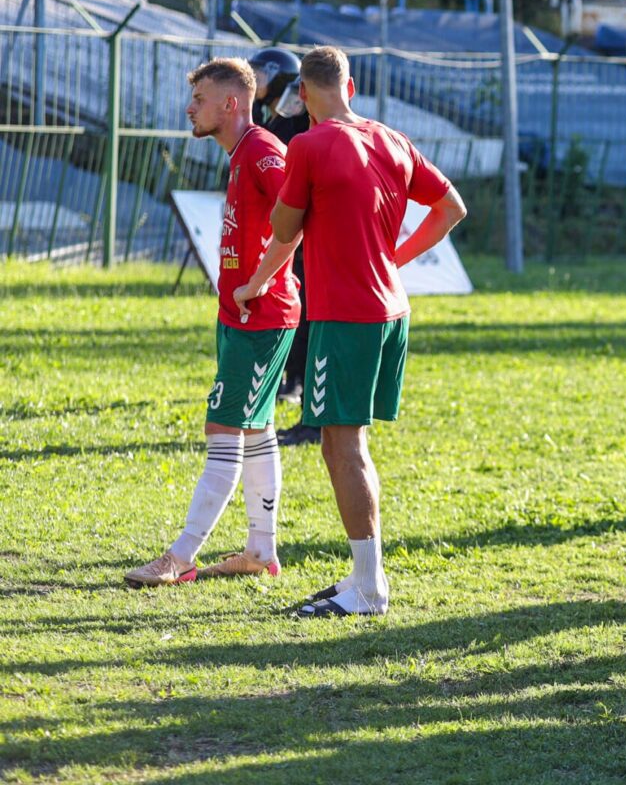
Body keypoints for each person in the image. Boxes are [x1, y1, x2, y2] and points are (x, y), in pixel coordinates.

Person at [235, 46, 467, 617]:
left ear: (303, 96)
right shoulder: (391, 138)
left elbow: (285, 232)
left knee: (342, 445)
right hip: (391, 312)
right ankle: (365, 578)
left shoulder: (308, 145)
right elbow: (451, 208)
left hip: (346, 316)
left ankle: (368, 589)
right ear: (352, 86)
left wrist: (253, 285)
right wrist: (394, 257)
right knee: (349, 443)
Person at [125, 59, 300, 587]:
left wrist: (259, 282)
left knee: (223, 428)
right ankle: (260, 552)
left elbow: (299, 215)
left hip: (260, 320)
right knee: (256, 429)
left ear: (231, 103)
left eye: (199, 99)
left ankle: (180, 557)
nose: (189, 109)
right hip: (242, 317)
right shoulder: (242, 154)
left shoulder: (264, 152)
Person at [247, 47, 320, 445]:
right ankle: (288, 381)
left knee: (307, 314)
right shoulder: (274, 118)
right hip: (284, 230)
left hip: (301, 232)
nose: (254, 81)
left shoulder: (298, 124)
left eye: (260, 74)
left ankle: (311, 405)